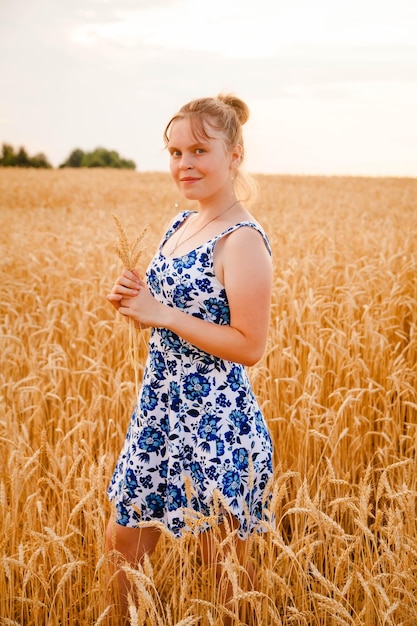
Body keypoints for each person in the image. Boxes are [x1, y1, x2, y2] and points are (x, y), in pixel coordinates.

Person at [106, 93, 274, 622]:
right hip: (159, 411)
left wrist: (165, 314)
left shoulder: (242, 240)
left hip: (215, 421)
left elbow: (249, 345)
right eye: (175, 152)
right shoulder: (179, 225)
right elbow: (165, 311)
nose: (185, 164)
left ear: (235, 154)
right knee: (122, 542)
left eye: (200, 150)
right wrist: (135, 301)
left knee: (224, 573)